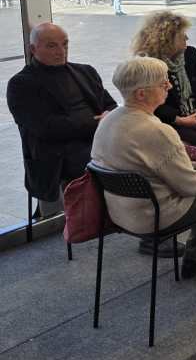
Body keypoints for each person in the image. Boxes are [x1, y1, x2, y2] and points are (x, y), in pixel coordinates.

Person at [91, 56, 196, 277]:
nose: (170, 86)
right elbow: (189, 185)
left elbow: (161, 166)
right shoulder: (157, 131)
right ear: (141, 93)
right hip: (154, 214)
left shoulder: (110, 120)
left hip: (120, 211)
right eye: (163, 83)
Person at [8, 22, 117, 216]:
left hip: (94, 142)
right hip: (56, 153)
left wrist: (106, 118)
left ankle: (133, 216)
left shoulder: (86, 72)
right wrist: (96, 122)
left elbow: (110, 106)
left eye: (65, 44)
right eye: (52, 45)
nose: (61, 51)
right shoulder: (21, 84)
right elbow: (47, 128)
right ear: (33, 49)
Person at [131, 11, 196, 160]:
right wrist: (182, 120)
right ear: (166, 39)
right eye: (182, 35)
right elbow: (152, 105)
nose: (187, 38)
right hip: (171, 121)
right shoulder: (149, 65)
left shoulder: (190, 54)